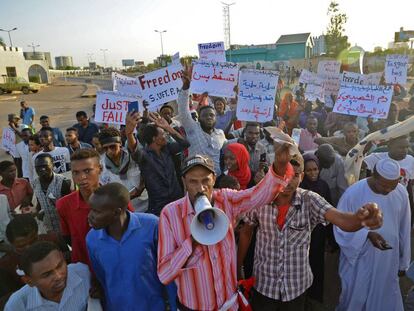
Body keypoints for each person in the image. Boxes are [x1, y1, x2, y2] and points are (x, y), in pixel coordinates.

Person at [157, 140, 296, 311]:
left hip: (229, 306)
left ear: (214, 179)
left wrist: (280, 166)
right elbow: (164, 274)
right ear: (184, 182)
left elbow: (258, 195)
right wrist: (192, 242)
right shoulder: (170, 215)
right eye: (193, 182)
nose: (200, 188)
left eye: (205, 181)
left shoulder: (226, 199)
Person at [243, 154, 382, 311]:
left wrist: (360, 219)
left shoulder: (310, 200)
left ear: (301, 176)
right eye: (282, 175)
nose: (287, 181)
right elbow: (246, 232)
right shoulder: (259, 198)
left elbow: (343, 220)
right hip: (264, 285)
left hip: (296, 287)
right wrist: (237, 267)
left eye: (294, 175)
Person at [334, 158, 410, 311]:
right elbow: (340, 226)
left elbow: (404, 227)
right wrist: (367, 235)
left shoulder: (401, 191)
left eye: (392, 186)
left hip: (388, 259)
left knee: (386, 295)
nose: (388, 190)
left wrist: (404, 261)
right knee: (356, 296)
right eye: (384, 185)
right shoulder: (353, 193)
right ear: (373, 176)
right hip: (360, 259)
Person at [87, 183, 177, 311]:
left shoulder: (152, 226)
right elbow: (102, 278)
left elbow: (169, 269)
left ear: (116, 212)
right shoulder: (91, 239)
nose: (90, 216)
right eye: (90, 209)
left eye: (97, 211)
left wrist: (173, 306)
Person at [125, 111, 190, 216]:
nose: (166, 135)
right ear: (155, 139)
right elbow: (133, 149)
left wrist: (167, 127)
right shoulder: (144, 155)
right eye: (163, 134)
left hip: (177, 200)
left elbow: (185, 144)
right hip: (159, 207)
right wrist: (129, 134)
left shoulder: (168, 149)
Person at [0, 215, 70, 303]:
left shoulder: (53, 240)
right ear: (12, 245)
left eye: (33, 241)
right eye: (21, 246)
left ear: (38, 234)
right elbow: (8, 299)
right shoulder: (6, 266)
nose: (29, 248)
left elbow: (70, 264)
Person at [5, 241, 91, 311]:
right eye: (47, 274)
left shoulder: (83, 273)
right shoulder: (17, 306)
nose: (58, 276)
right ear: (29, 281)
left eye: (59, 266)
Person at [177, 66, 227, 175]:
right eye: (205, 115)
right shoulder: (192, 128)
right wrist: (186, 86)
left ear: (215, 118)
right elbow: (182, 109)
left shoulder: (221, 134)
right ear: (199, 118)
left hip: (216, 180)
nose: (209, 117)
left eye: (211, 115)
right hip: (197, 181)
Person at [56, 149, 102, 264]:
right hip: (85, 267)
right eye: (76, 172)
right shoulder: (63, 204)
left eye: (87, 171)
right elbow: (68, 238)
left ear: (100, 169)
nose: (81, 177)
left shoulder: (116, 196)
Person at [299, 153, 332, 304]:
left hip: (319, 234)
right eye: (309, 170)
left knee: (317, 266)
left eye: (315, 169)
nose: (313, 173)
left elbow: (330, 212)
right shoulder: (299, 187)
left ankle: (315, 298)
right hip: (302, 235)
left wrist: (330, 239)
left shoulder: (323, 185)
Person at [364, 135, 414, 219]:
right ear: (389, 146)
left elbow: (408, 184)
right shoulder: (376, 158)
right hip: (379, 202)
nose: (404, 151)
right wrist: (363, 150)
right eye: (400, 147)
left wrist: (410, 206)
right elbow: (356, 164)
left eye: (406, 147)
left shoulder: (410, 160)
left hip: (399, 203)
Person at [98, 127, 146, 212]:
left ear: (120, 143)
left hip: (145, 205)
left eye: (112, 147)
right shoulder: (100, 166)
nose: (109, 151)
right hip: (122, 211)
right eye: (105, 148)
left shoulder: (134, 157)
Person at [32, 154, 71, 233]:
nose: (42, 169)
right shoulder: (35, 183)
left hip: (64, 227)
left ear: (52, 165)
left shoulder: (63, 182)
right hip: (48, 228)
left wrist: (57, 205)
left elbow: (69, 207)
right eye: (38, 167)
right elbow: (39, 201)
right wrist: (36, 212)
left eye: (45, 166)